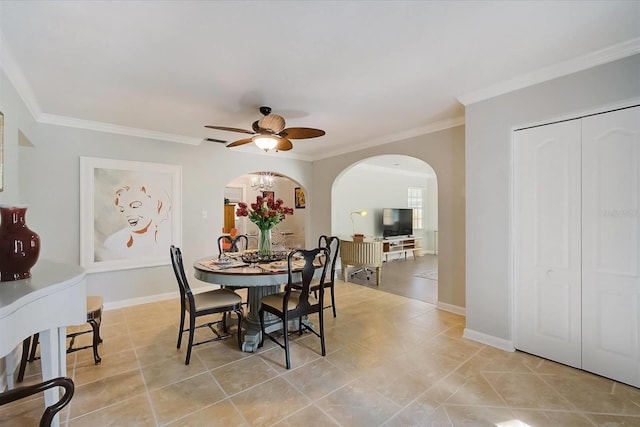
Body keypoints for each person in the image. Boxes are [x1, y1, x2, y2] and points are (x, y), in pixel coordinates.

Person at [100, 184, 172, 260]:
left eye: (135, 206)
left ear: (155, 204)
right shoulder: (113, 243)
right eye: (122, 209)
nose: (128, 214)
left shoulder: (167, 236)